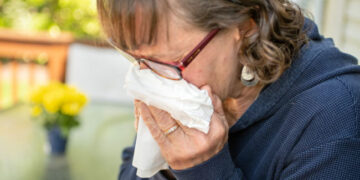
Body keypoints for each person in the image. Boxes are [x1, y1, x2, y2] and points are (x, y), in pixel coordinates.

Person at [97, 0, 360, 179]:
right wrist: (164, 163)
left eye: (171, 62)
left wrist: (201, 168)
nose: (150, 78)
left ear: (246, 27)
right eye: (136, 60)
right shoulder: (170, 78)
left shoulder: (334, 118)